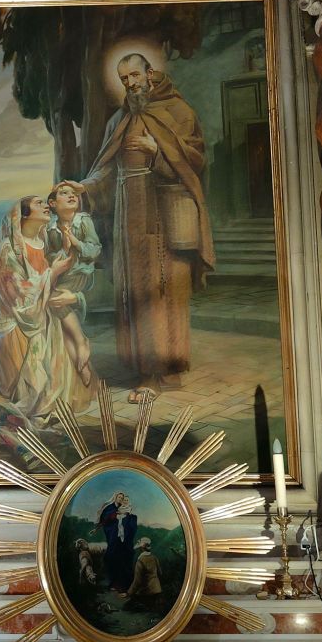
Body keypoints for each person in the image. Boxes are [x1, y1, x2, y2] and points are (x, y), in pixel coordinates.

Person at [79, 52, 214, 402]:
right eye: (124, 79)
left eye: (135, 76)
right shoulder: (119, 119)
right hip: (129, 217)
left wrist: (157, 151)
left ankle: (166, 368)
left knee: (167, 291)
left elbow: (196, 161)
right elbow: (106, 168)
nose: (131, 83)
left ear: (150, 73)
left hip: (166, 216)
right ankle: (146, 369)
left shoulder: (178, 111)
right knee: (138, 292)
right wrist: (84, 187)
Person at [0, 197, 93, 421]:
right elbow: (18, 294)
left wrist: (64, 255)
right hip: (14, 324)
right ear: (24, 214)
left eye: (45, 203)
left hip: (38, 314)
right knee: (36, 383)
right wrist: (53, 273)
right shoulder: (9, 249)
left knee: (58, 316)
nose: (46, 206)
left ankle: (79, 348)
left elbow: (51, 273)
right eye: (38, 203)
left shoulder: (43, 241)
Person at [45, 181, 102, 387]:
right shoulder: (50, 228)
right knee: (58, 320)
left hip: (80, 275)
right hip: (62, 276)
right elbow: (49, 256)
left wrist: (75, 242)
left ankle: (80, 341)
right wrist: (64, 248)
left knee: (53, 299)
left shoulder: (83, 220)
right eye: (64, 193)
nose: (71, 196)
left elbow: (94, 250)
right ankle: (80, 363)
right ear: (53, 203)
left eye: (74, 194)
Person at [90, 490, 137, 591]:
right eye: (119, 497)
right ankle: (112, 581)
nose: (121, 499)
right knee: (110, 558)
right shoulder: (110, 508)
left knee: (121, 559)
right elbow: (105, 520)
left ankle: (121, 583)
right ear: (115, 497)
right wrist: (97, 528)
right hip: (112, 536)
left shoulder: (123, 509)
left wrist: (125, 515)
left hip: (120, 539)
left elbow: (127, 520)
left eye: (122, 498)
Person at [121, 537, 162, 603]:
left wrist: (128, 593)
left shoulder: (140, 561)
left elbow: (137, 581)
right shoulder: (154, 558)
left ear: (141, 548)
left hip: (146, 593)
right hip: (157, 590)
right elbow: (160, 573)